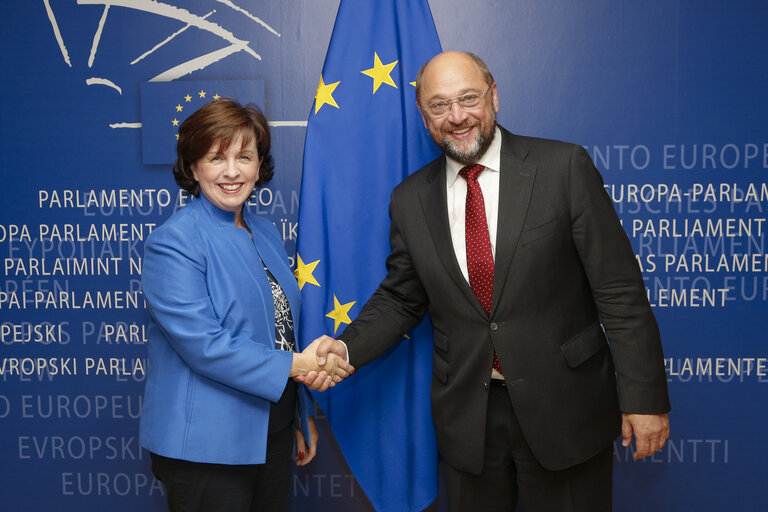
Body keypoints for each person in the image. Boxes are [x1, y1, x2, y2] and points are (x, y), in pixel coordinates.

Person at [303, 51, 670, 511]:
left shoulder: (563, 168)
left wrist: (645, 398)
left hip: (566, 410)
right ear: (423, 115)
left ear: (494, 96)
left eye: (468, 98)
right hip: (469, 422)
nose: (457, 117)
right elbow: (401, 299)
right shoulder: (410, 199)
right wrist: (347, 348)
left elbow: (620, 292)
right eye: (439, 105)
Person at [139, 98, 353, 512]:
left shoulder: (266, 232)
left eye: (244, 156)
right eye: (216, 157)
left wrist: (297, 414)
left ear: (259, 166)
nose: (232, 171)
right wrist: (301, 367)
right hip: (206, 449)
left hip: (269, 434)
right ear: (193, 166)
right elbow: (206, 345)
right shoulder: (174, 242)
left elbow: (282, 331)